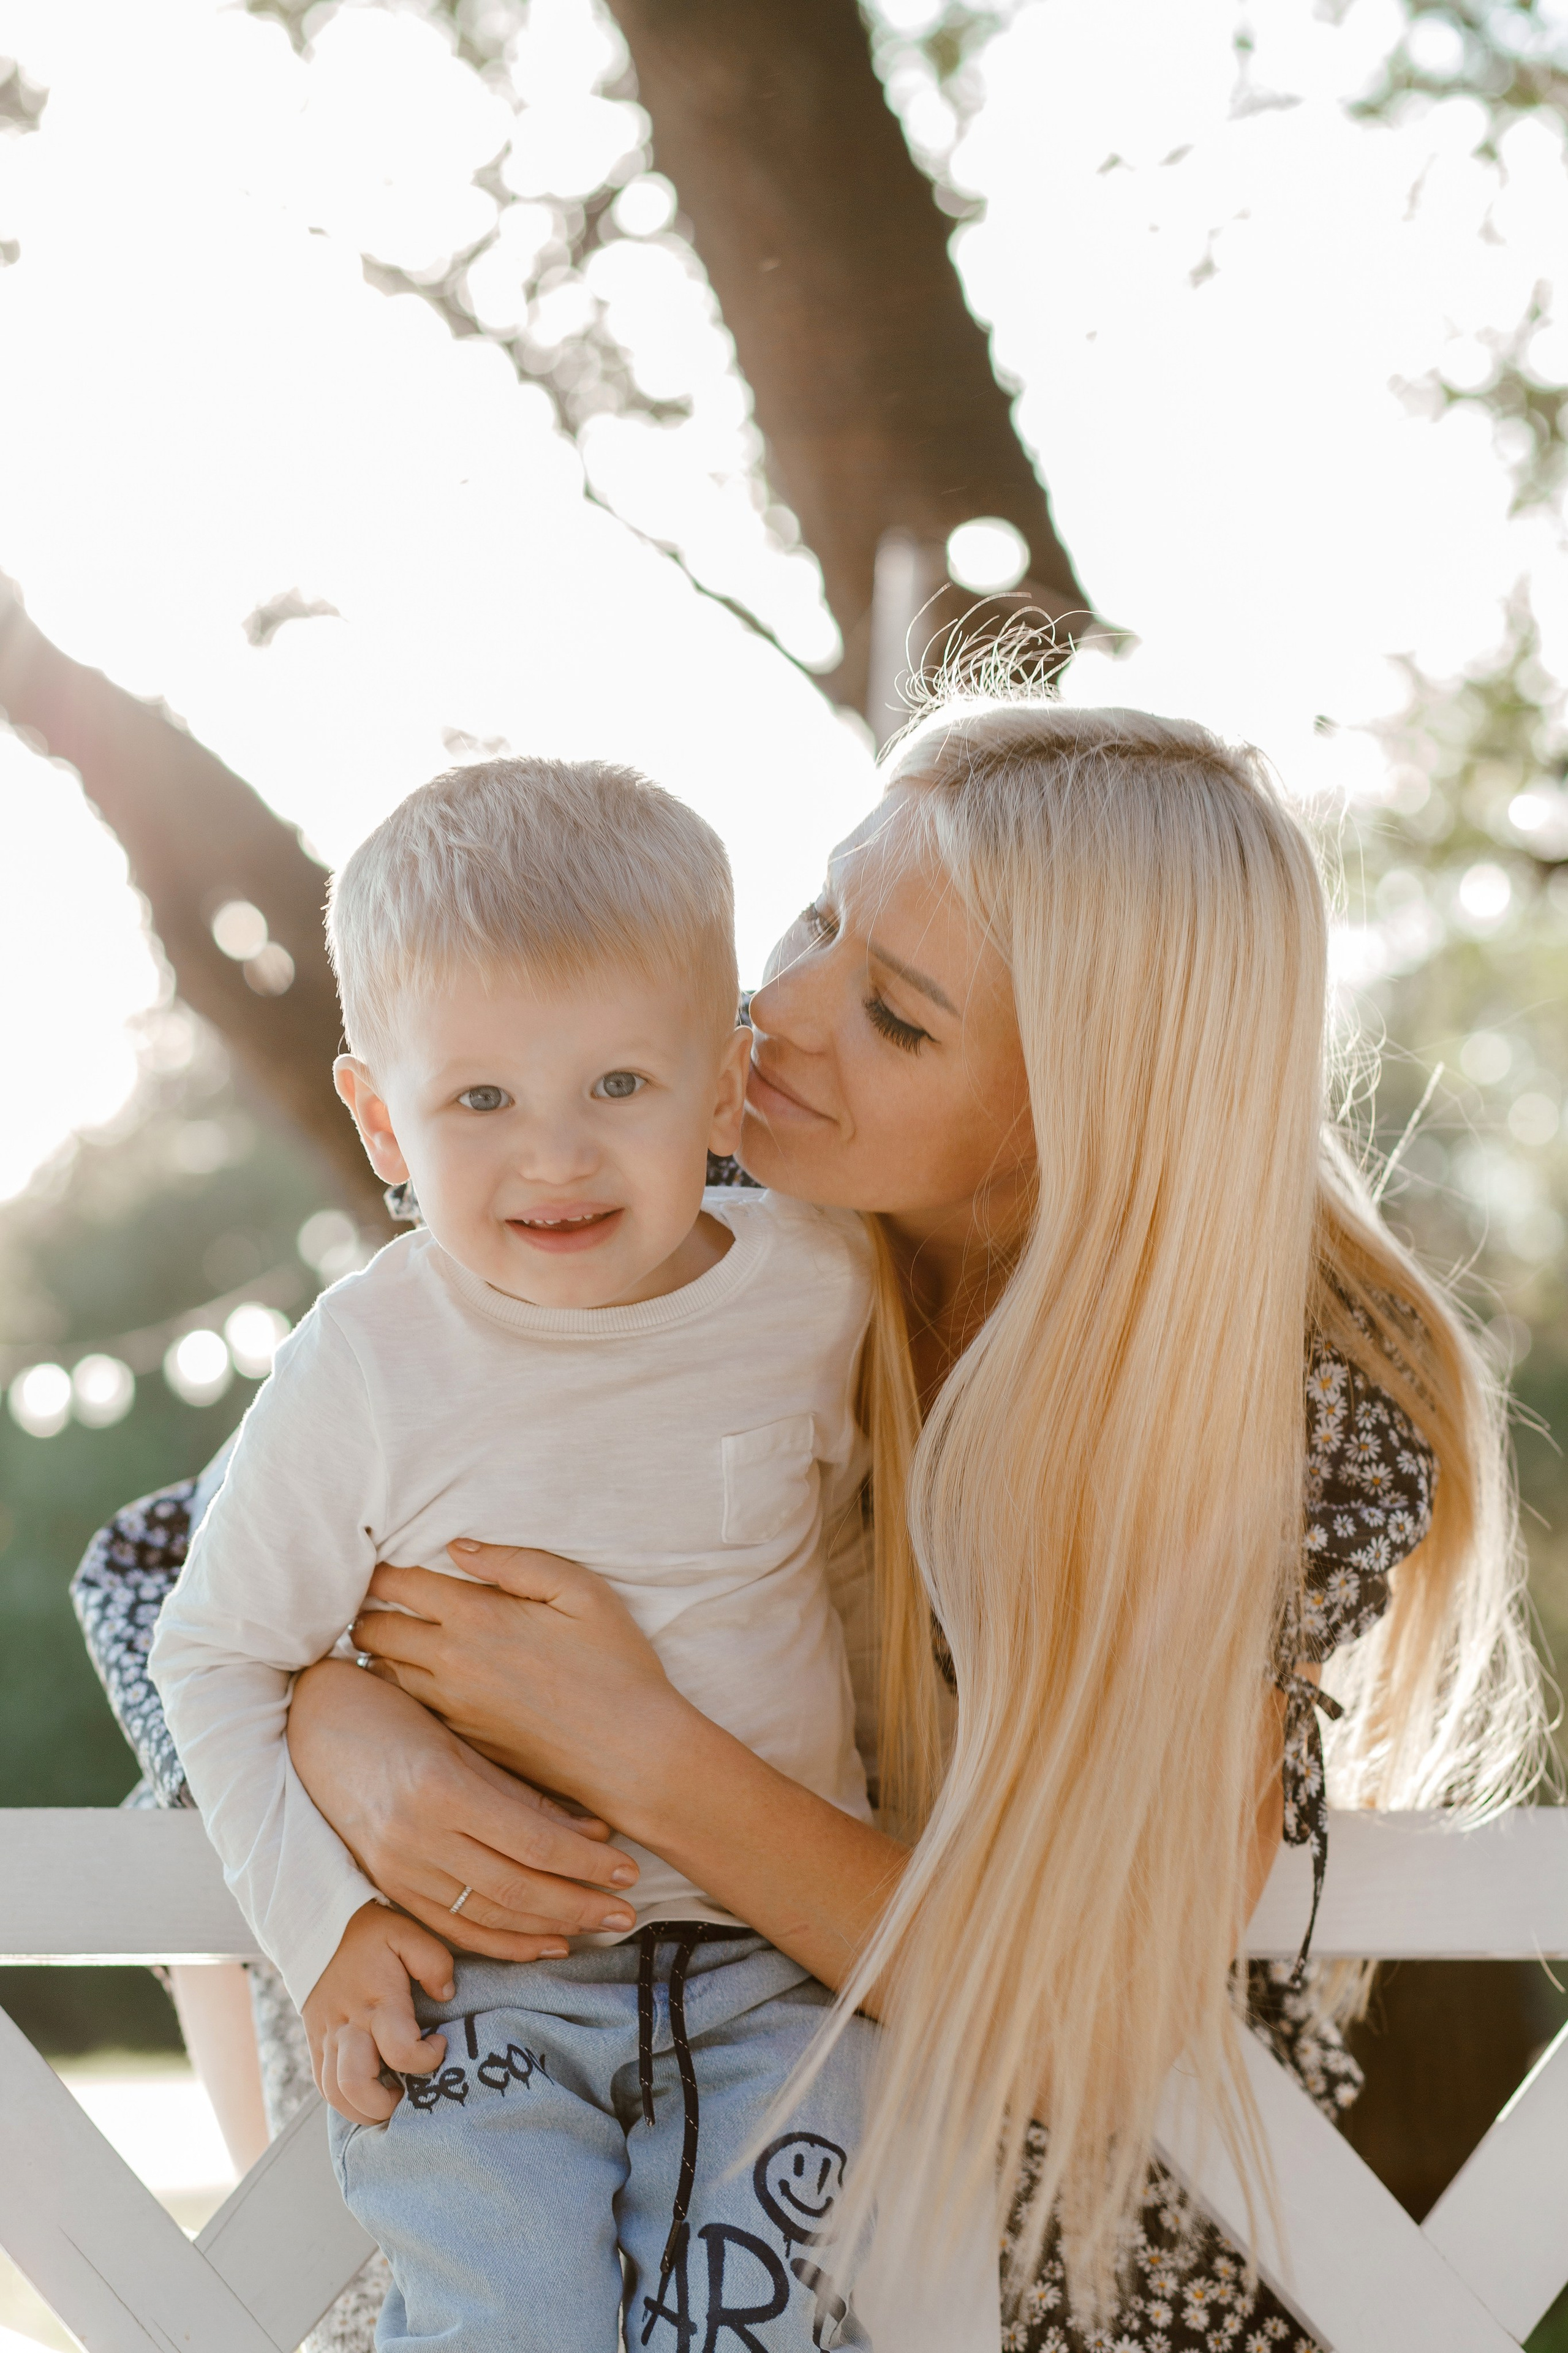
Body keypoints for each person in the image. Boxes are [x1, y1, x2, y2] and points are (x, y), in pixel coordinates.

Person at [77, 692, 1545, 2351]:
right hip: (564, 2123)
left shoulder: (1270, 1410)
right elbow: (157, 1575)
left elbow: (1077, 2026)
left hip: (1059, 2235)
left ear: (1084, 1108)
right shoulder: (704, 1238)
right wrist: (348, 1721)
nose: (776, 1011)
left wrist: (635, 1747)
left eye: (897, 1015)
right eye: (822, 917)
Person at [146, 755, 965, 2352]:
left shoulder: (815, 1296)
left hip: (772, 1975)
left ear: (725, 1082)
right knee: (501, 2322)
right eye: (480, 1100)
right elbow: (218, 1650)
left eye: (618, 1086)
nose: (557, 1157)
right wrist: (327, 1925)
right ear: (382, 1115)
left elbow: (865, 1566)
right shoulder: (369, 1360)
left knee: (757, 2325)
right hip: (486, 1978)